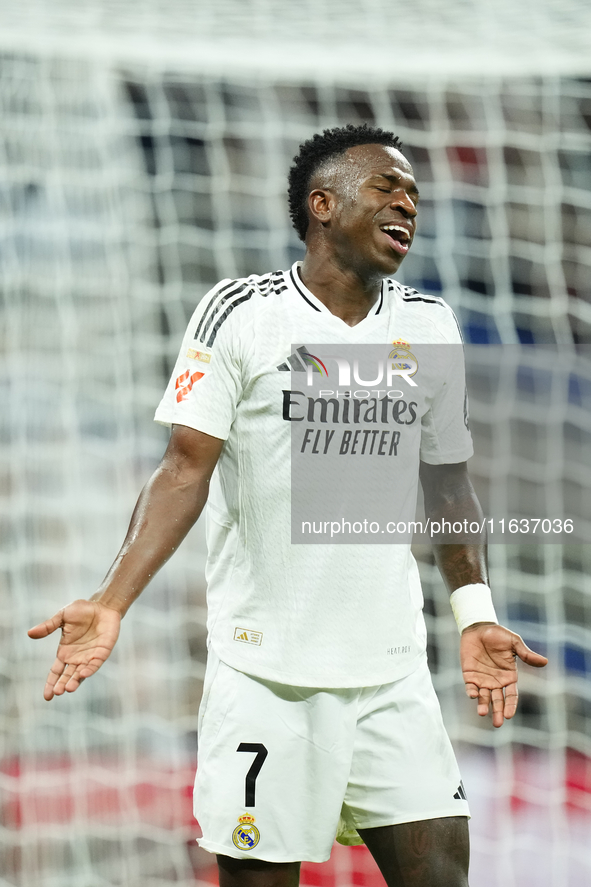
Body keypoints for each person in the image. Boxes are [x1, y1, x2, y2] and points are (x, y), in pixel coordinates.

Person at [29, 124, 548, 887]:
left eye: (413, 193)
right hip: (265, 678)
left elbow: (447, 482)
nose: (407, 201)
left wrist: (472, 610)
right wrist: (111, 601)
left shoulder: (428, 323)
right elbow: (182, 469)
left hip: (390, 675)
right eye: (386, 186)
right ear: (323, 203)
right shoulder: (242, 312)